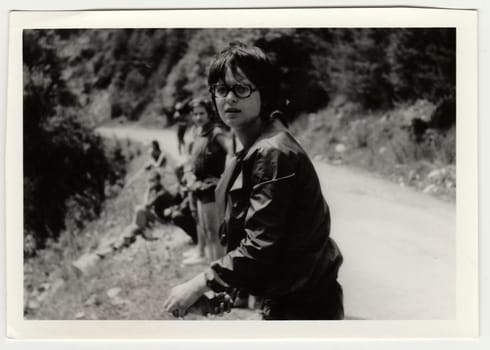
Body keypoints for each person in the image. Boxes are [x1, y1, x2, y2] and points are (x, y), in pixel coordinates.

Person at [163, 42, 343, 320]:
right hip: (294, 299)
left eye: (242, 88)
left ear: (265, 93)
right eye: (221, 90)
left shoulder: (273, 152)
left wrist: (199, 283)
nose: (229, 99)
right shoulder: (255, 147)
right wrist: (229, 289)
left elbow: (261, 245)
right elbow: (267, 242)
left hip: (306, 307)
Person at [182, 97, 233, 265]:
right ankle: (213, 269)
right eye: (195, 114)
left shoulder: (215, 131)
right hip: (199, 188)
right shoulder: (198, 131)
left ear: (209, 113)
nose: (198, 117)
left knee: (214, 233)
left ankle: (220, 272)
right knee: (206, 230)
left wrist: (222, 179)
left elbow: (232, 152)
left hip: (212, 191)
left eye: (201, 113)